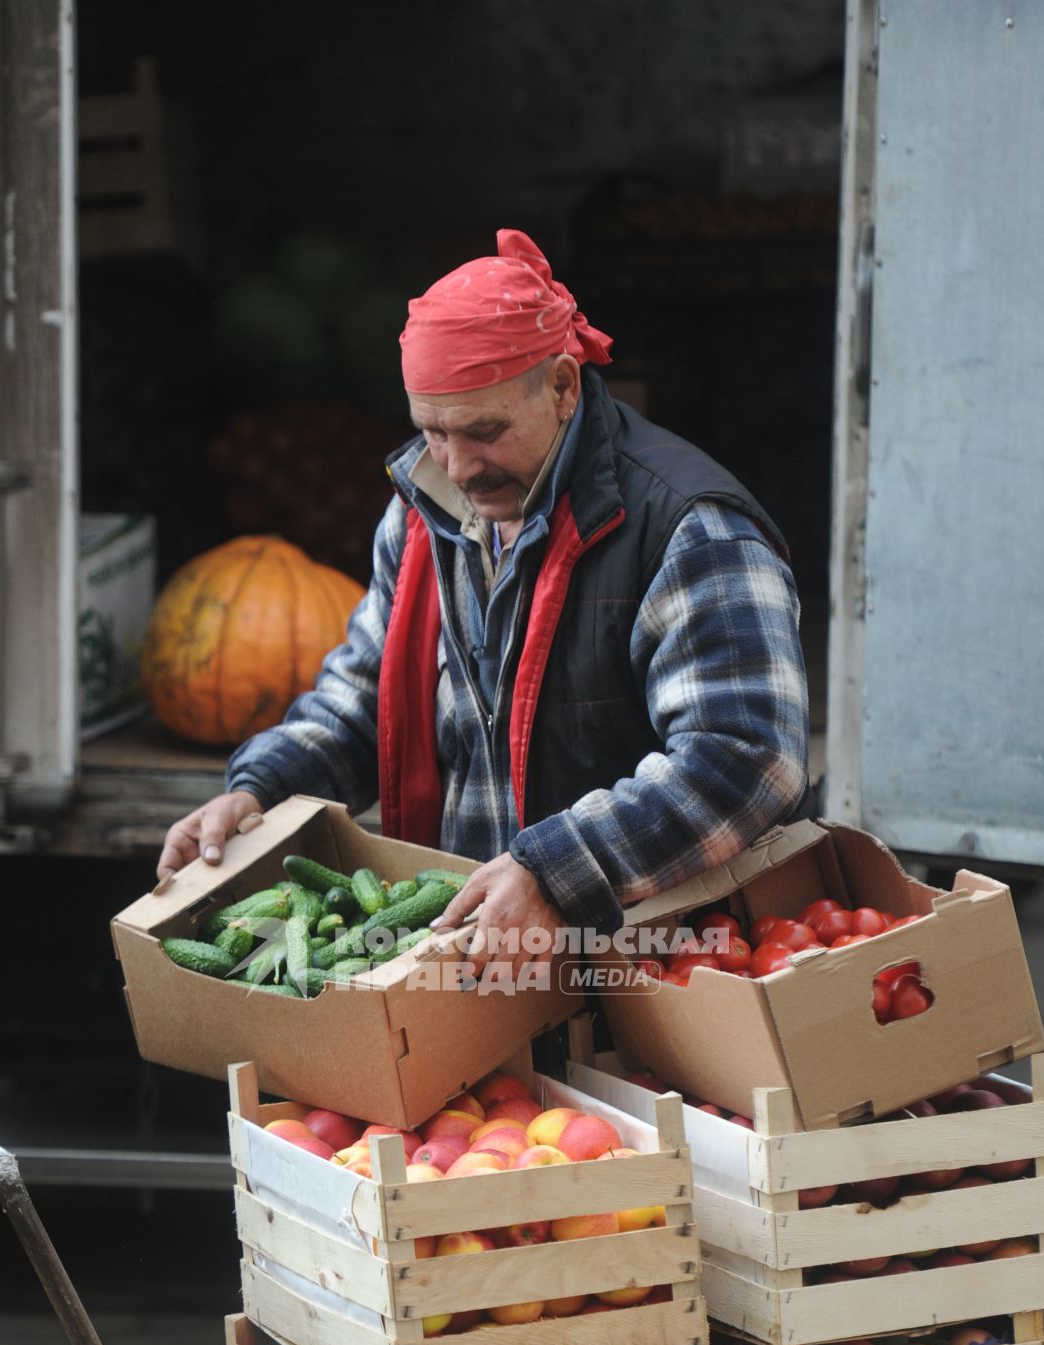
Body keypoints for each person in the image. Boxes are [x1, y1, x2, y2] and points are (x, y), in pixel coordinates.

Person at [157, 230, 809, 963]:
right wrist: (259, 792)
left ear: (563, 387)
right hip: (470, 958)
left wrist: (557, 872)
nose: (458, 467)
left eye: (484, 431)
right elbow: (363, 701)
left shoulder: (688, 528)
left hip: (651, 962)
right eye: (431, 432)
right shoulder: (420, 512)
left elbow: (748, 760)